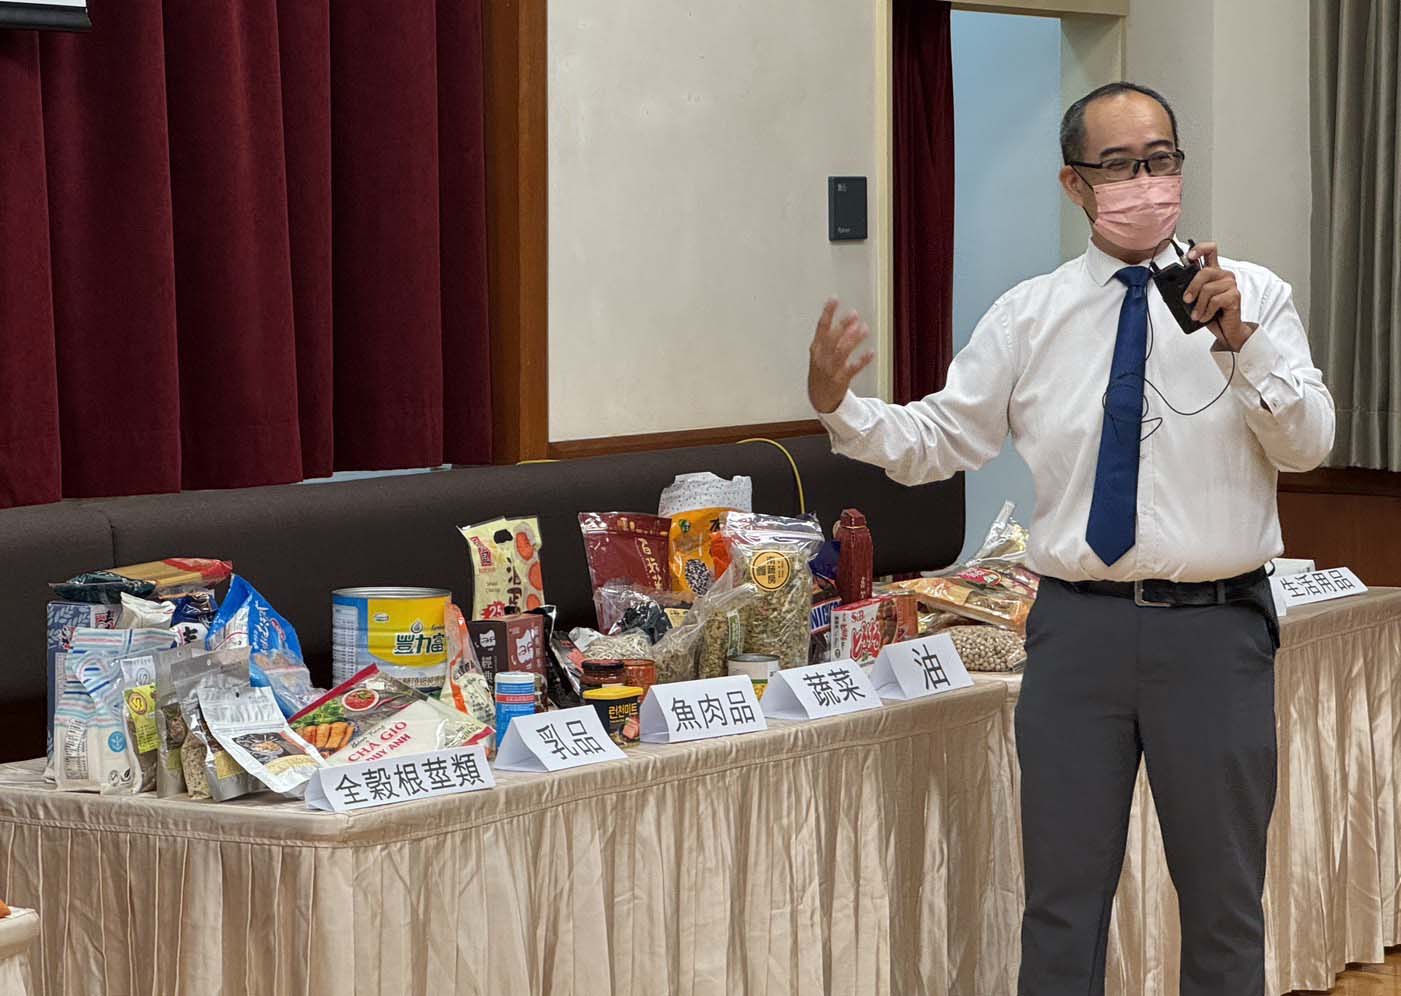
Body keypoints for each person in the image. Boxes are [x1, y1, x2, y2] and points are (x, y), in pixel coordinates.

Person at [807, 82, 1335, 996]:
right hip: (1076, 632)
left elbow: (1308, 445)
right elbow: (942, 438)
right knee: (1061, 899)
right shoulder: (1028, 314)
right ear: (1073, 184)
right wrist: (838, 409)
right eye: (1119, 165)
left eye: (1160, 160)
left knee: (1222, 901)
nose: (1145, 181)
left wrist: (1239, 343)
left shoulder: (1253, 296)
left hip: (1214, 632)